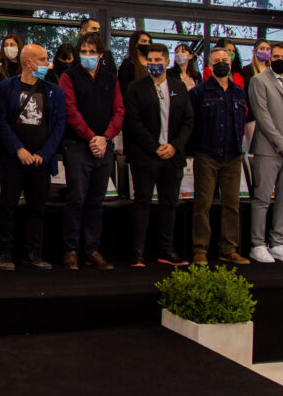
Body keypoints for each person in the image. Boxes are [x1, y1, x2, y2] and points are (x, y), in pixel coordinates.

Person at [0, 44, 66, 271]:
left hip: (40, 162)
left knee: (37, 208)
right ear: (29, 62)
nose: (48, 64)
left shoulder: (55, 91)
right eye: (43, 60)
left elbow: (59, 125)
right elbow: (1, 121)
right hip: (13, 159)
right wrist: (18, 149)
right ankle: (5, 253)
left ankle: (32, 253)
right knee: (8, 206)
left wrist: (43, 154)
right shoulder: (5, 87)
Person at [123, 43, 194, 268]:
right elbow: (133, 122)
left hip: (173, 157)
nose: (153, 64)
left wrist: (174, 146)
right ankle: (138, 253)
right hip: (146, 157)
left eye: (157, 60)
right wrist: (155, 147)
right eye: (150, 61)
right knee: (142, 203)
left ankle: (166, 250)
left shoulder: (179, 86)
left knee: (169, 204)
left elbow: (188, 120)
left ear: (166, 61)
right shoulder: (136, 87)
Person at [59, 32, 124, 271]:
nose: (87, 56)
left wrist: (105, 138)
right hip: (77, 146)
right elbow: (69, 110)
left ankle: (92, 250)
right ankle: (71, 251)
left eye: (91, 52)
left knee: (96, 201)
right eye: (83, 52)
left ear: (101, 54)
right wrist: (91, 137)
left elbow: (119, 111)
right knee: (76, 199)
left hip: (104, 147)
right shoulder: (69, 76)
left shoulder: (111, 78)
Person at [189, 45, 250, 265]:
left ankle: (229, 249)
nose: (221, 63)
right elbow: (191, 123)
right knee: (202, 205)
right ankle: (200, 250)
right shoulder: (198, 92)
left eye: (225, 59)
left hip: (233, 155)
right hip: (207, 154)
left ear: (231, 62)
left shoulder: (240, 92)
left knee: (232, 204)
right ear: (209, 65)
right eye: (216, 61)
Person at [247, 42, 283, 264]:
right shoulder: (259, 81)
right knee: (262, 198)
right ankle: (257, 244)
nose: (280, 59)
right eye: (276, 56)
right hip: (269, 150)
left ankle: (278, 243)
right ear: (270, 58)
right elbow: (263, 117)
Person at [118, 30, 151, 95]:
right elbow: (123, 87)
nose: (147, 44)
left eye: (149, 42)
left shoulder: (153, 62)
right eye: (143, 41)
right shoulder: (128, 64)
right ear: (135, 44)